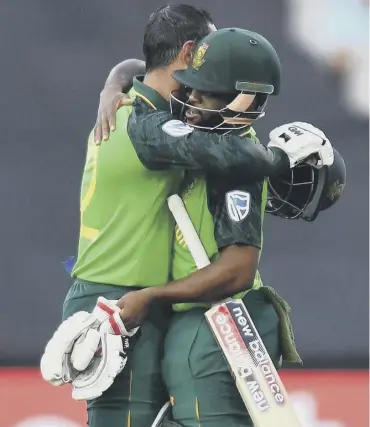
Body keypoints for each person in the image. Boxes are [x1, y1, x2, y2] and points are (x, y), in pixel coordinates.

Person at [46, 6, 332, 427]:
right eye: (208, 50)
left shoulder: (138, 108)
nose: (212, 61)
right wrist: (281, 158)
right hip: (119, 300)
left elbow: (143, 72)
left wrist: (114, 78)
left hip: (142, 302)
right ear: (188, 54)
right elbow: (230, 150)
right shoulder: (142, 125)